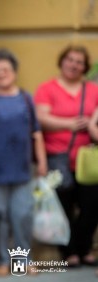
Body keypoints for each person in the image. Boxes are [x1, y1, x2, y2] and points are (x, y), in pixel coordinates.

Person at [0, 49, 47, 276]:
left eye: (6, 70)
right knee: (0, 216)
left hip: (22, 168)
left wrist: (41, 161)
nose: (1, 74)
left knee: (23, 215)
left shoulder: (26, 98)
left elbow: (37, 133)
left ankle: (23, 261)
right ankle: (2, 260)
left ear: (14, 72)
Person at [34, 45, 98, 268]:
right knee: (63, 205)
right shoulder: (47, 88)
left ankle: (85, 246)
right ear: (62, 62)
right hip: (57, 157)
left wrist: (90, 126)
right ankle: (70, 251)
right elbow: (40, 118)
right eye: (70, 59)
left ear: (85, 67)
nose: (74, 65)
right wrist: (69, 124)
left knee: (91, 205)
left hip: (88, 160)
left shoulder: (92, 89)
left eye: (79, 61)